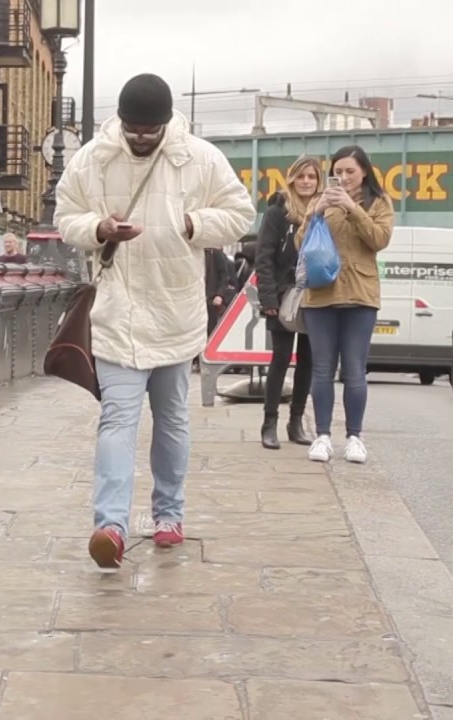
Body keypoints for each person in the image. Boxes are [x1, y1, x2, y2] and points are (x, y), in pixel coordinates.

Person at [55, 73, 255, 569]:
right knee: (118, 419)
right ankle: (111, 527)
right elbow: (65, 216)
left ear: (166, 124)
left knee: (171, 420)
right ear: (121, 121)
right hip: (118, 311)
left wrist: (192, 224)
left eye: (151, 130)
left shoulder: (201, 157)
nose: (141, 138)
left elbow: (240, 212)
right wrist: (98, 228)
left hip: (175, 309)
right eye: (133, 129)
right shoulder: (93, 158)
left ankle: (169, 514)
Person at [295, 145, 394, 464]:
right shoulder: (321, 201)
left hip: (361, 295)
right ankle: (322, 436)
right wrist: (316, 211)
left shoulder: (379, 201)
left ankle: (355, 437)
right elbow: (301, 244)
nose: (344, 177)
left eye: (350, 171)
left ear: (364, 171)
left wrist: (353, 207)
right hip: (321, 295)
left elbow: (379, 239)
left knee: (354, 370)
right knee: (321, 369)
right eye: (338, 171)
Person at [255, 156, 321, 450]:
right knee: (280, 359)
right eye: (301, 176)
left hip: (316, 295)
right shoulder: (277, 212)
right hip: (283, 294)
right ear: (291, 179)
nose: (306, 181)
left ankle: (296, 423)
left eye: (312, 176)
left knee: (308, 361)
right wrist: (268, 297)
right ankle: (269, 423)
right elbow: (264, 257)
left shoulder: (324, 212)